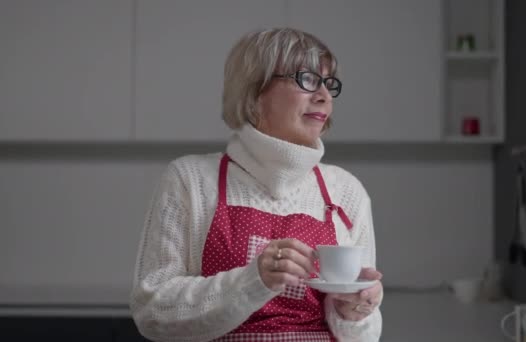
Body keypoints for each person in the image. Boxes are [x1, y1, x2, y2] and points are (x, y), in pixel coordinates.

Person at [130, 27, 383, 342]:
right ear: (254, 92)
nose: (324, 96)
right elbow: (153, 313)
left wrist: (354, 312)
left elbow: (366, 336)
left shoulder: (346, 190)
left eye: (329, 84)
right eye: (307, 80)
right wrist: (254, 280)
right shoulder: (189, 180)